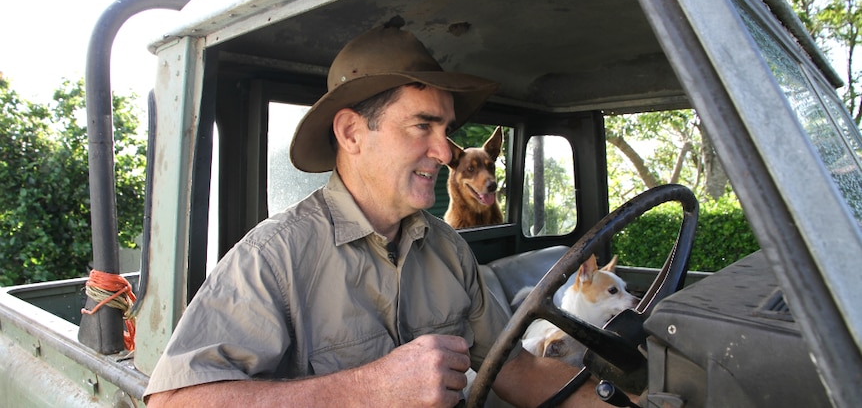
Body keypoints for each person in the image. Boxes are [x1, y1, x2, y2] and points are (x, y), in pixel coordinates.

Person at [145, 22, 608, 407]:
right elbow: (173, 402)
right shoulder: (274, 257)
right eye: (422, 125)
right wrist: (366, 390)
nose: (443, 149)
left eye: (446, 129)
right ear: (351, 132)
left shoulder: (448, 249)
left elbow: (512, 368)